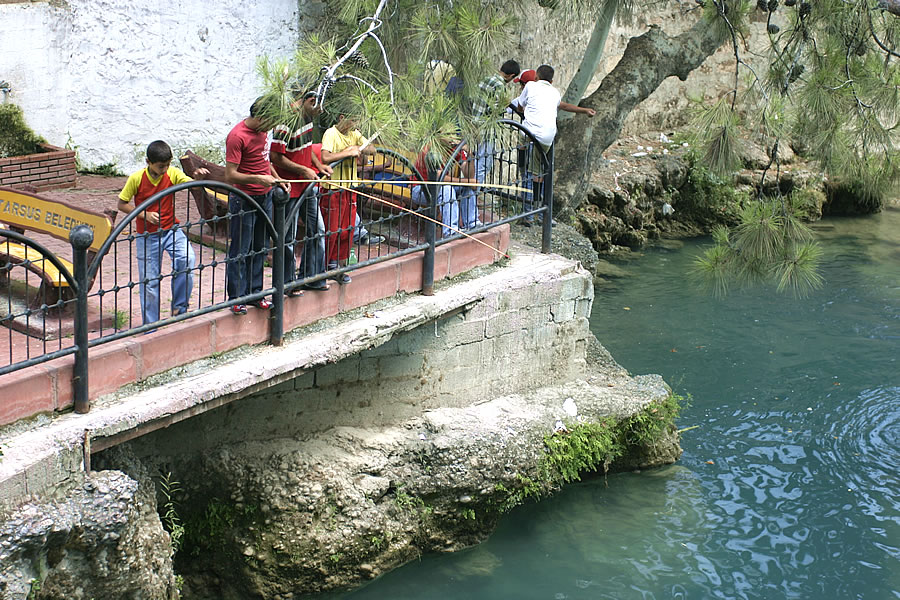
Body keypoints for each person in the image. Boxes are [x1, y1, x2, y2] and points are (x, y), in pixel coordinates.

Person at [117, 140, 205, 326]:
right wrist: (145, 215)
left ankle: (179, 309)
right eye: (160, 166)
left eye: (167, 165)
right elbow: (122, 204)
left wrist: (197, 178)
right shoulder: (136, 178)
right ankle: (151, 326)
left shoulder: (172, 173)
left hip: (171, 230)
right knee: (150, 282)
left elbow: (193, 187)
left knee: (187, 260)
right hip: (147, 236)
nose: (165, 169)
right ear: (148, 162)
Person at [225, 95, 290, 315]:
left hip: (266, 196)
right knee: (240, 250)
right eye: (271, 121)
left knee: (260, 248)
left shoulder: (263, 132)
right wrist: (259, 179)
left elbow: (264, 161)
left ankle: (255, 293)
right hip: (244, 198)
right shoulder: (236, 136)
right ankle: (236, 298)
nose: (273, 127)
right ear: (261, 117)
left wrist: (275, 177)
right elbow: (230, 175)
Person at [509, 64, 596, 225]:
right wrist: (584, 110)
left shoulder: (530, 86)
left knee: (528, 174)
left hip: (531, 135)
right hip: (549, 137)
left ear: (536, 77)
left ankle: (527, 216)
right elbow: (563, 106)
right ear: (552, 80)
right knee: (541, 175)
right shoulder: (554, 92)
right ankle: (542, 215)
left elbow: (520, 107)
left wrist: (525, 110)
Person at [270, 90, 332, 292]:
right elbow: (275, 157)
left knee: (318, 230)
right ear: (310, 101)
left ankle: (312, 276)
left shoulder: (308, 116)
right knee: (288, 238)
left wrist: (317, 165)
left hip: (307, 184)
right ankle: (287, 284)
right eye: (319, 107)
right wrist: (303, 169)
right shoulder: (286, 121)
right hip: (290, 187)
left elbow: (306, 146)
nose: (320, 112)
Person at [320, 114, 376, 283]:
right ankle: (324, 268)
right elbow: (325, 157)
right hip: (332, 190)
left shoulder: (354, 134)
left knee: (348, 229)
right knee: (332, 230)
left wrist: (359, 148)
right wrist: (347, 152)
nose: (355, 124)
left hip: (349, 188)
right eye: (353, 120)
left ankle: (339, 267)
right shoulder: (331, 133)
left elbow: (372, 149)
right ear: (342, 117)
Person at [466, 59, 521, 229]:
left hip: (472, 126)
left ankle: (468, 203)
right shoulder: (500, 86)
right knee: (482, 166)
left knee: (470, 165)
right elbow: (494, 109)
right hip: (487, 130)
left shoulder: (485, 79)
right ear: (511, 75)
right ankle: (471, 208)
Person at [410, 142, 477, 238]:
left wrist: (470, 154)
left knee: (466, 188)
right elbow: (437, 176)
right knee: (447, 189)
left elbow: (469, 174)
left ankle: (472, 223)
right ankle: (451, 231)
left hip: (441, 188)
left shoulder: (455, 147)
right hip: (421, 189)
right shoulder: (429, 147)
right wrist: (467, 182)